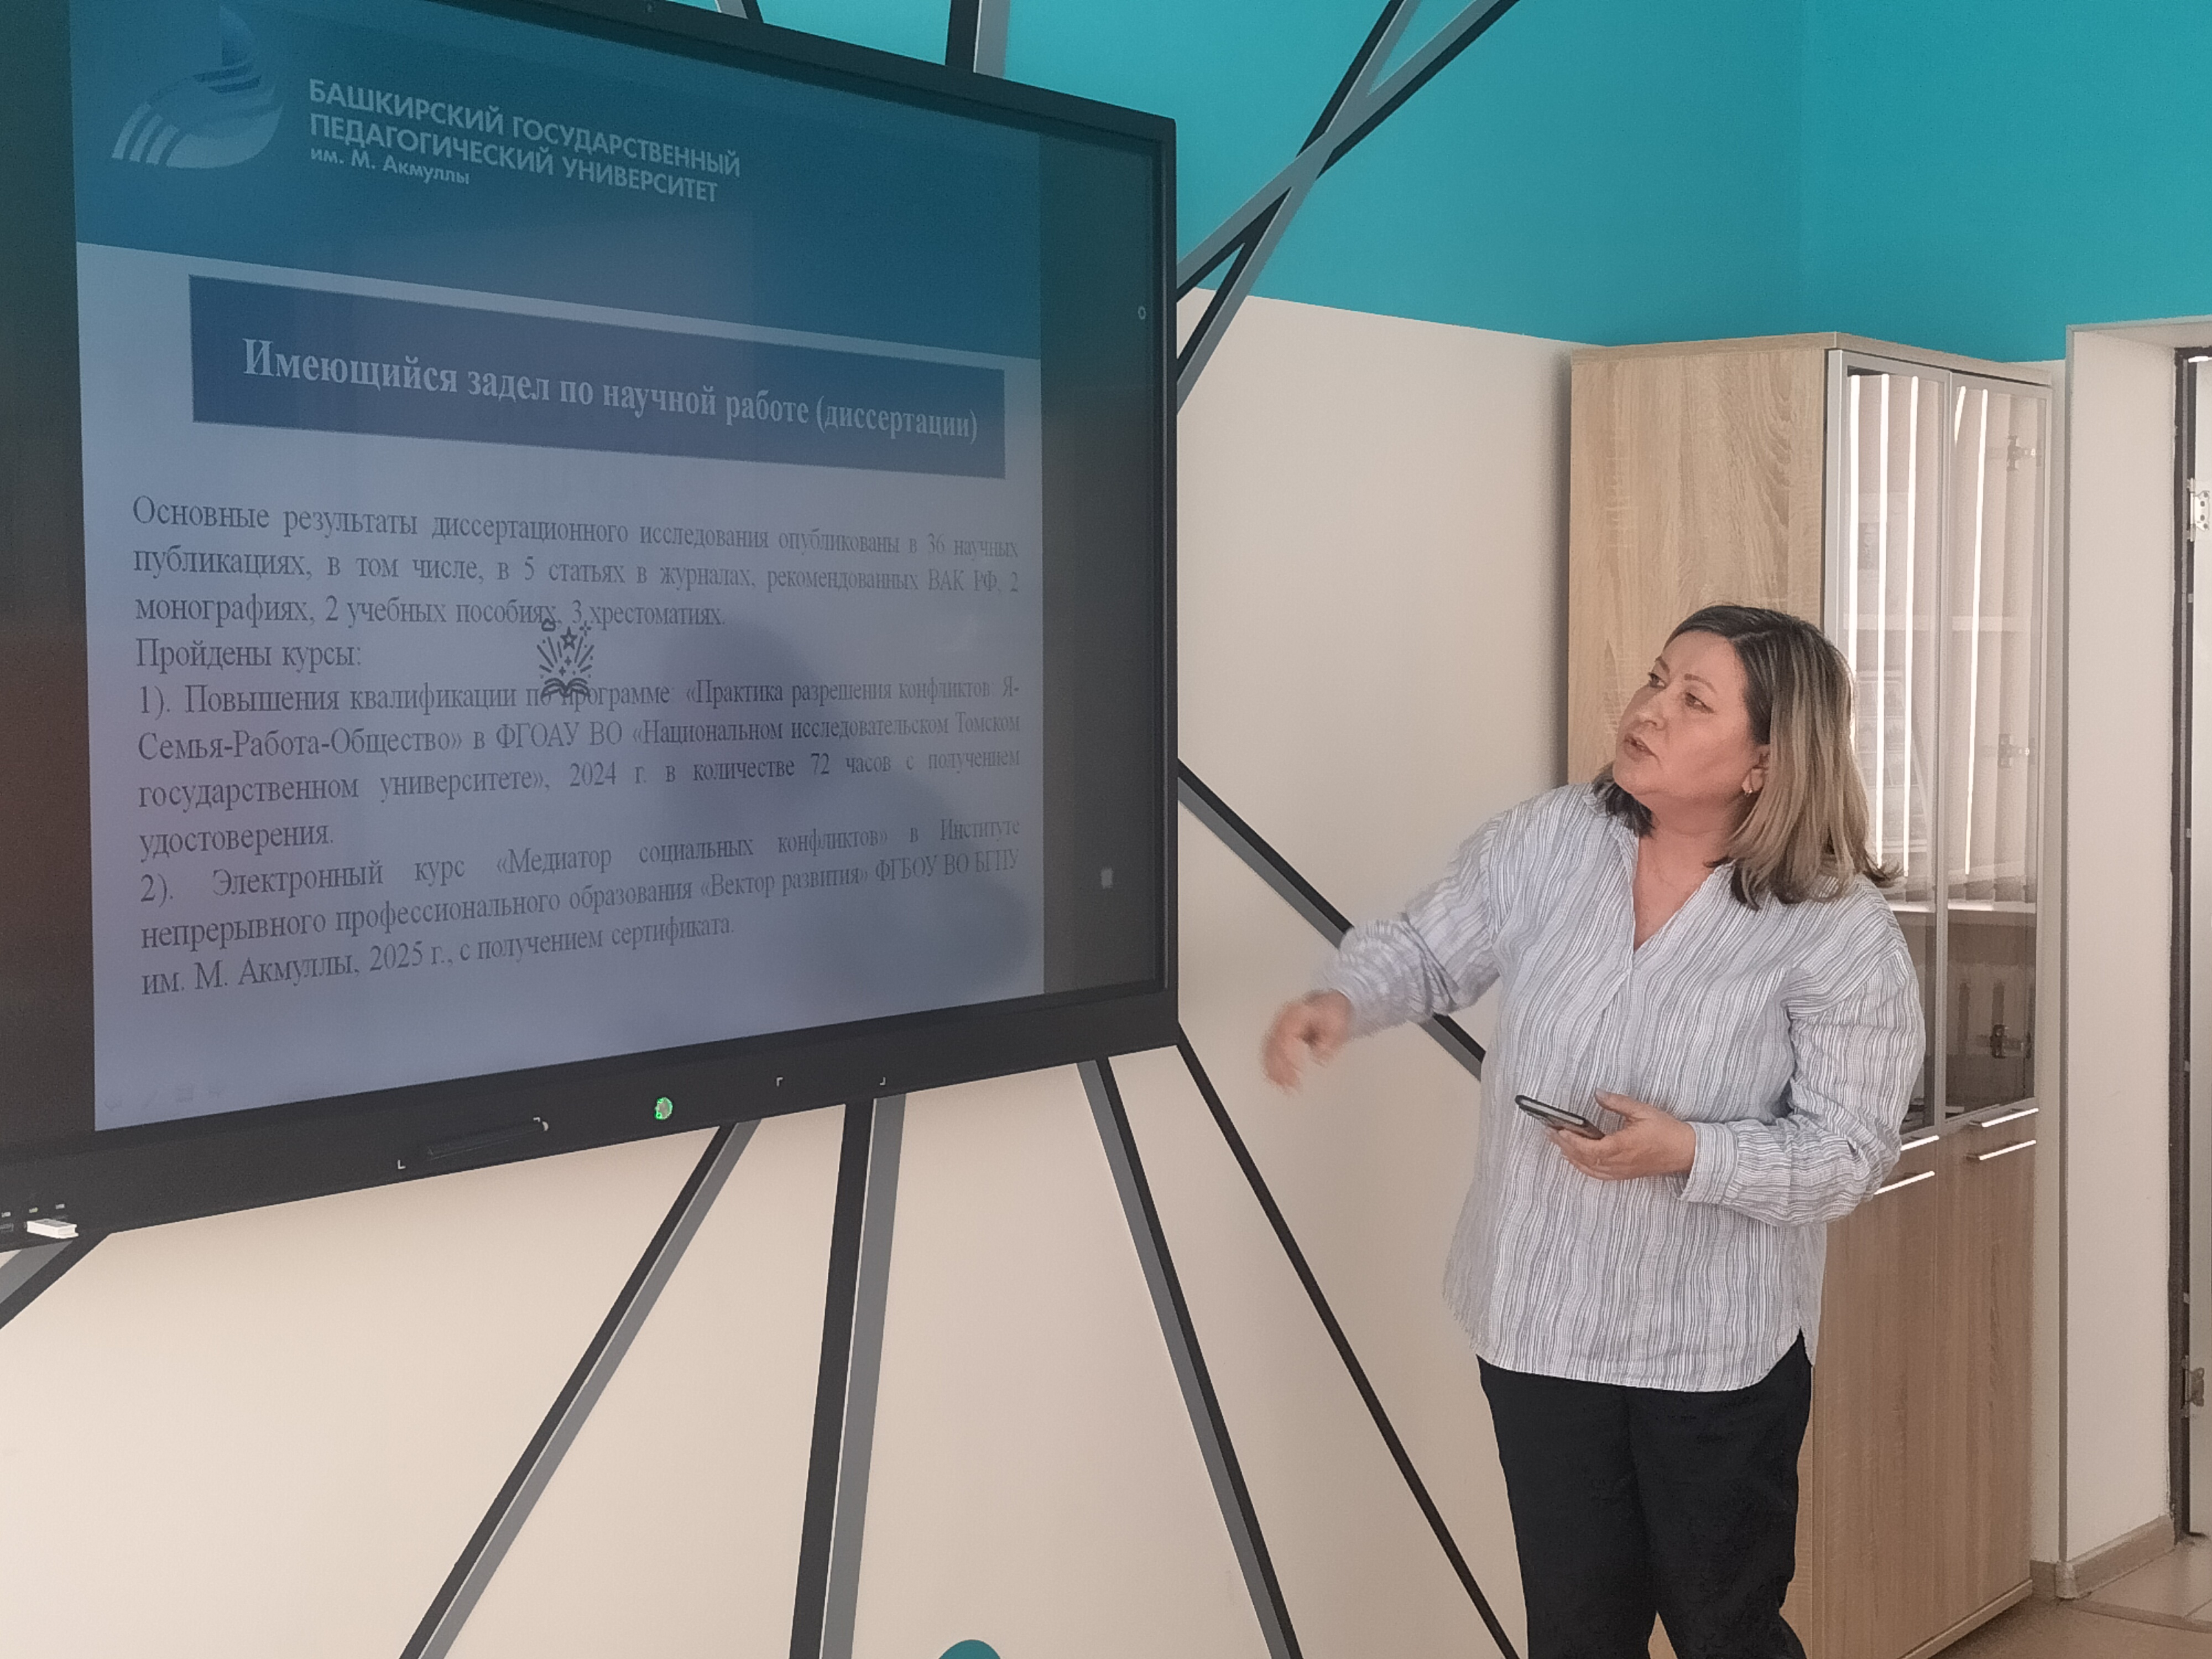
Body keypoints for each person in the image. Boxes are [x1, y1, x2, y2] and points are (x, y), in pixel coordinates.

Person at [1262, 604, 1923, 1659]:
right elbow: (1429, 949)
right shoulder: (1554, 839)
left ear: (1766, 762)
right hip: (1542, 1327)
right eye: (1657, 679)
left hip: (1714, 1356)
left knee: (1725, 1635)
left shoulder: (1838, 931)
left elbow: (1848, 1154)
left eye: (1693, 700)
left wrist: (1691, 1152)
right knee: (1576, 1635)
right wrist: (1344, 1000)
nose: (1649, 709)